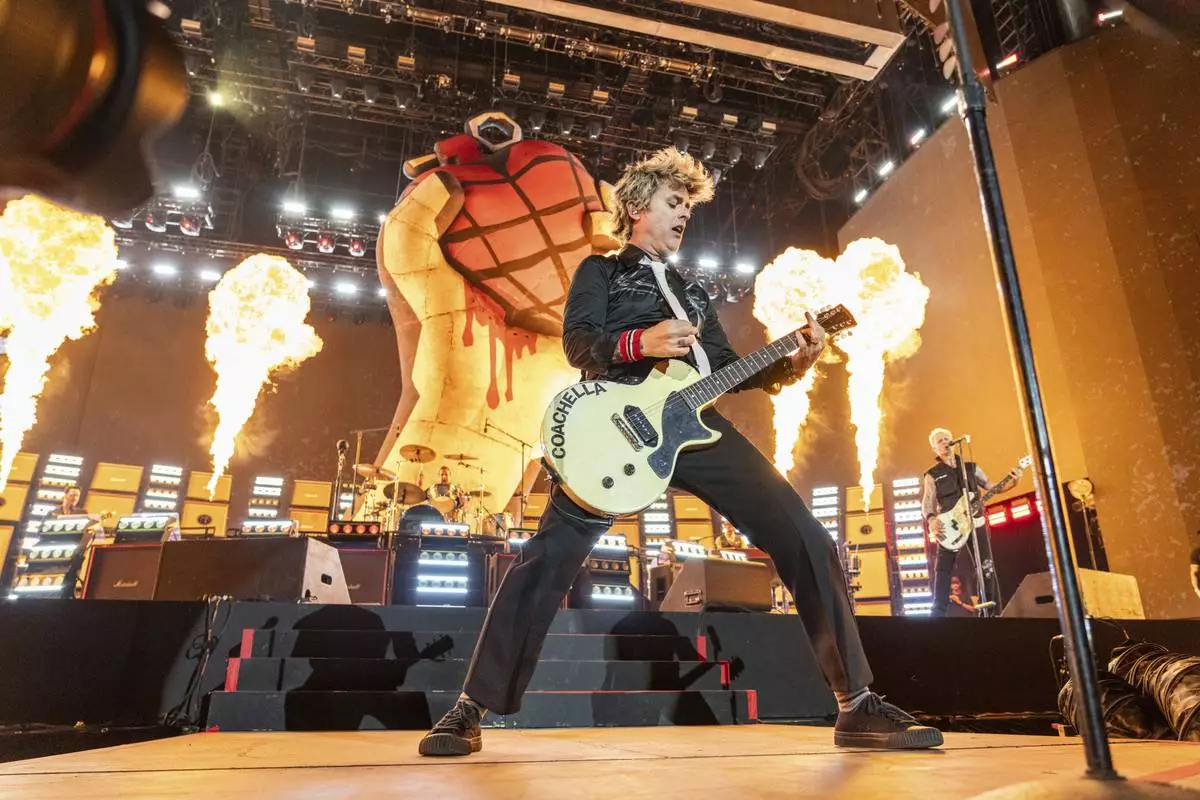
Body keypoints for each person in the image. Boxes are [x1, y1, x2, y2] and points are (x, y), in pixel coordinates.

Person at [418, 146, 943, 756]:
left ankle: (855, 707)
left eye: (689, 207)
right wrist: (642, 340)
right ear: (638, 207)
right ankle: (469, 709)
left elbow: (727, 371)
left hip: (698, 430)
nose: (684, 215)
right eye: (674, 203)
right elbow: (580, 346)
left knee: (807, 539)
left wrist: (792, 360)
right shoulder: (603, 272)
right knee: (544, 562)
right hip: (617, 428)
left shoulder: (694, 293)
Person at [921, 428, 1020, 618]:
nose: (945, 443)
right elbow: (926, 502)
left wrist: (1013, 482)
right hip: (950, 526)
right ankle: (938, 614)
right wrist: (932, 519)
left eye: (947, 439)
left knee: (986, 565)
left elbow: (992, 487)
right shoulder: (932, 474)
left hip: (976, 522)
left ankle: (991, 611)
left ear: (954, 441)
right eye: (940, 441)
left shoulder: (971, 468)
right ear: (934, 448)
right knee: (943, 569)